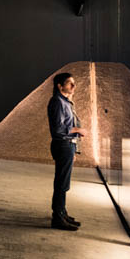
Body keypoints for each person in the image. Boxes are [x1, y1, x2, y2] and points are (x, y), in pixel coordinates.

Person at [46, 72, 85, 231]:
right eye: (70, 83)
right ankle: (58, 217)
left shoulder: (65, 102)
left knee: (64, 182)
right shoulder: (57, 102)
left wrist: (74, 149)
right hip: (63, 145)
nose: (73, 86)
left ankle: (62, 212)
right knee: (61, 183)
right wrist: (78, 130)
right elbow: (58, 129)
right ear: (59, 86)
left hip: (68, 145)